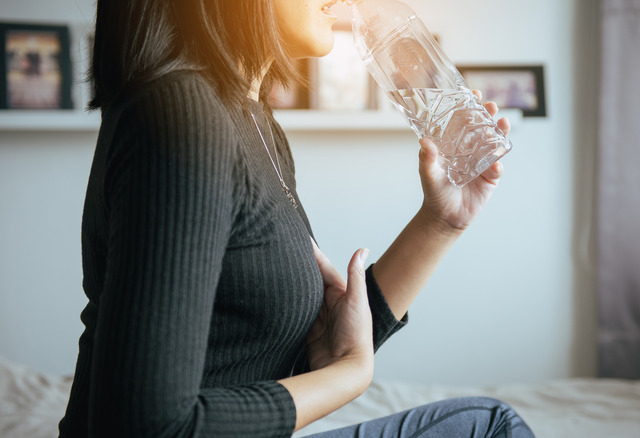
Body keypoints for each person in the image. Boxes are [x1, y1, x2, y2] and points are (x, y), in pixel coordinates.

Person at [58, 0, 534, 437]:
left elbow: (306, 349)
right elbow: (145, 427)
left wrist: (440, 223)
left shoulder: (254, 121)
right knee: (489, 426)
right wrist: (349, 377)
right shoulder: (181, 114)